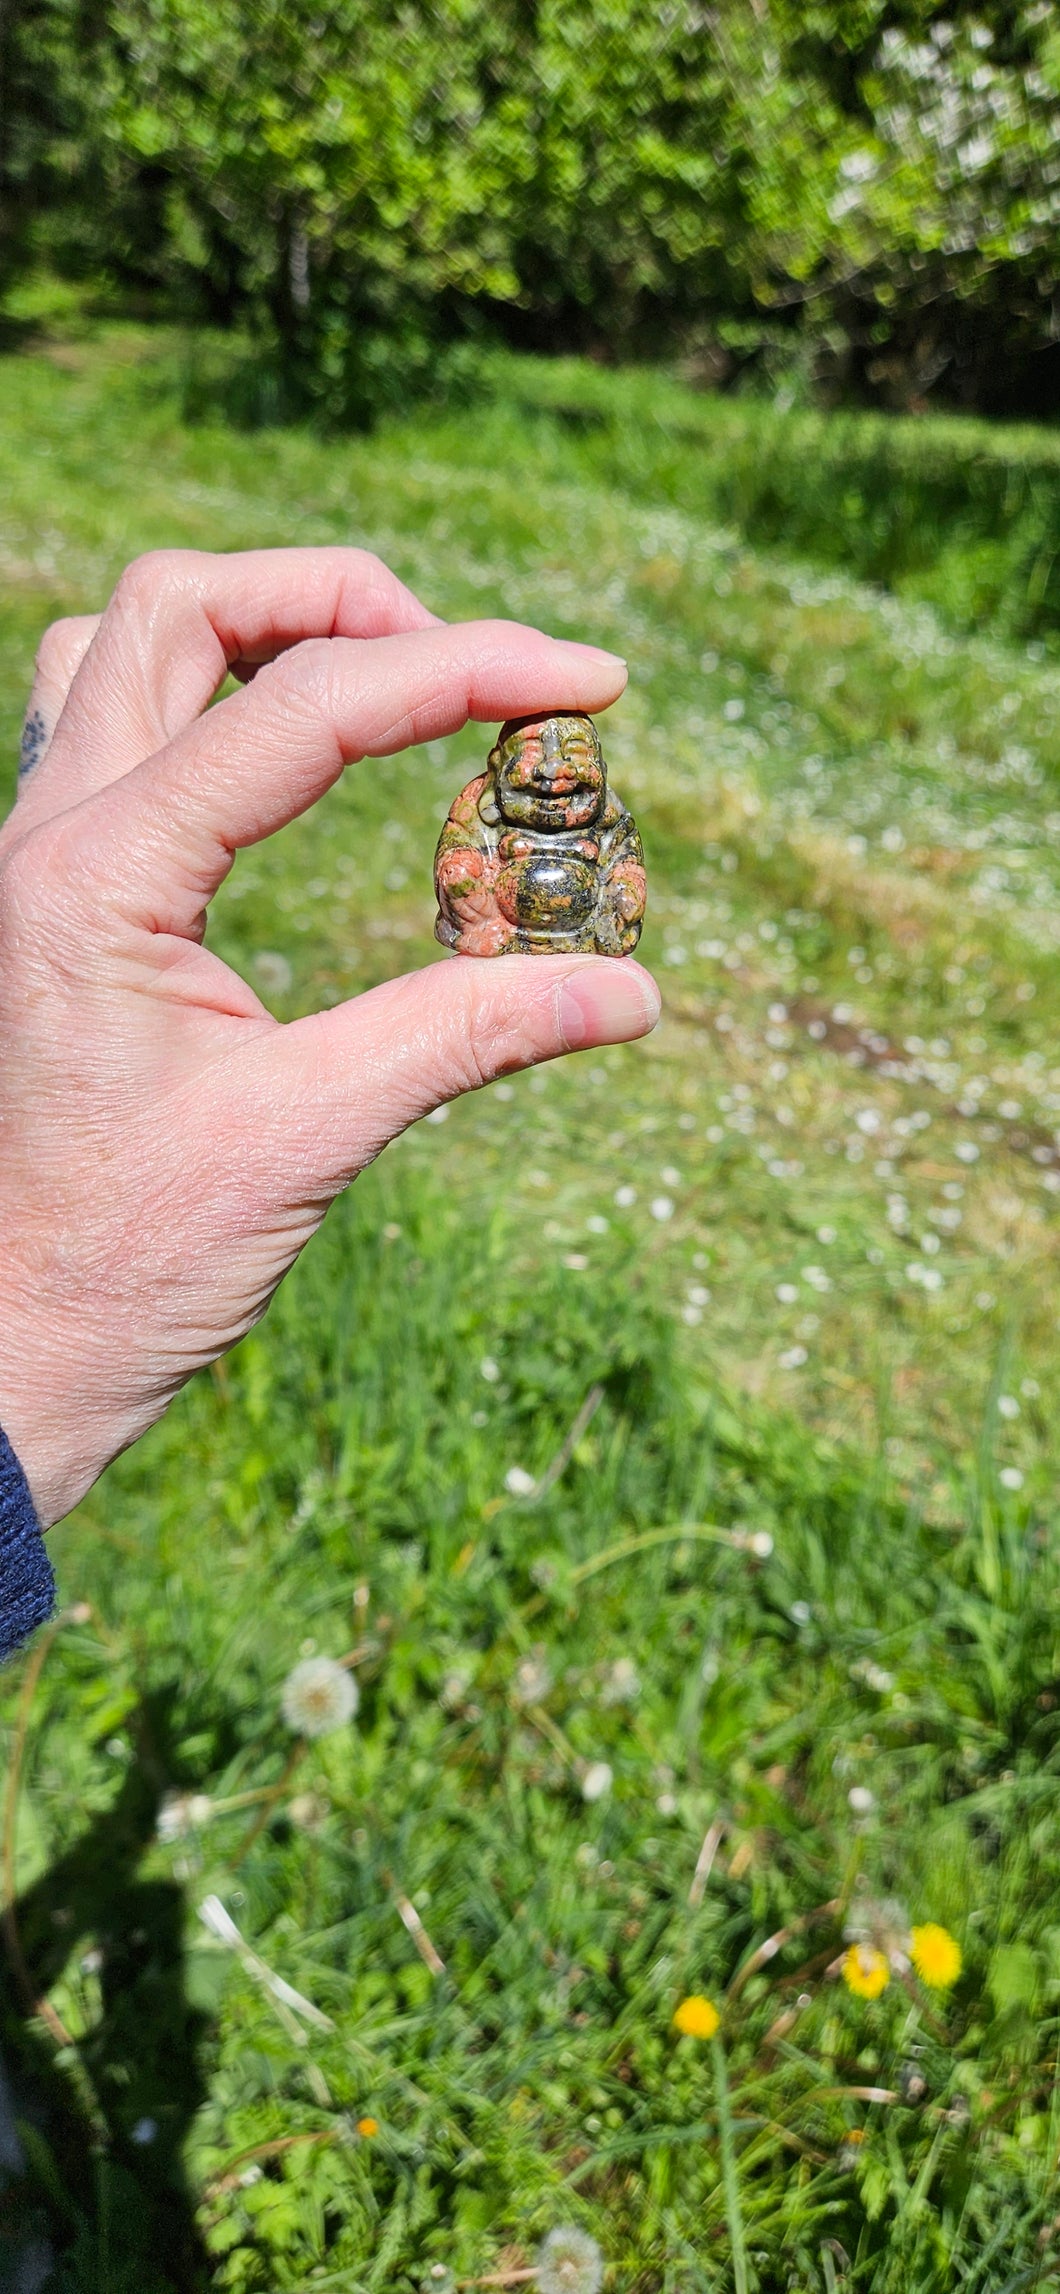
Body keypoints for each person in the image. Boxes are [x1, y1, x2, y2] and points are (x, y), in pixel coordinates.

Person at [0, 546, 660, 1661]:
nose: (553, 786)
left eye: (571, 778)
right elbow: (463, 865)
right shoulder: (480, 810)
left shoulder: (604, 820)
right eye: (535, 776)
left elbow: (626, 868)